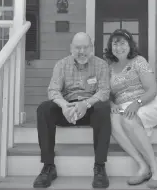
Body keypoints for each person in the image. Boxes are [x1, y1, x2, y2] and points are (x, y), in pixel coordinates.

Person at [33, 32, 111, 188]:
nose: (81, 51)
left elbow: (104, 91)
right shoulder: (61, 65)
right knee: (44, 109)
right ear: (71, 48)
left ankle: (100, 167)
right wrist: (64, 105)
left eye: (85, 47)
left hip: (90, 110)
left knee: (103, 108)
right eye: (77, 47)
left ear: (92, 48)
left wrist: (86, 104)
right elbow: (53, 90)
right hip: (67, 109)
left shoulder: (101, 65)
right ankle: (48, 166)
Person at [104, 29, 157, 189]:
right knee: (112, 121)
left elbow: (152, 89)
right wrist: (112, 104)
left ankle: (156, 169)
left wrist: (137, 102)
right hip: (124, 105)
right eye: (115, 43)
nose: (119, 47)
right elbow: (106, 93)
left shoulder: (139, 61)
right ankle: (143, 167)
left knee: (128, 118)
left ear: (130, 45)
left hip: (147, 102)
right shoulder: (109, 68)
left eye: (123, 43)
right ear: (111, 47)